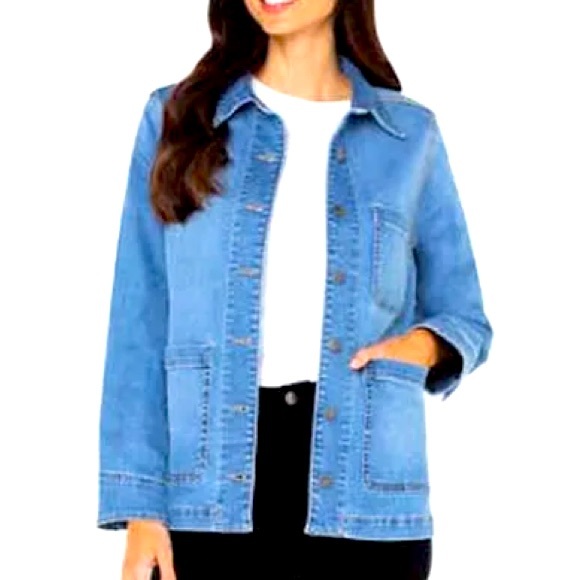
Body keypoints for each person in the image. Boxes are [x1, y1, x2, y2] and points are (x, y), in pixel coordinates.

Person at [97, 1, 493, 578]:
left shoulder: (410, 136)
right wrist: (141, 509)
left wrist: (420, 347)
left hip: (365, 494)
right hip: (208, 497)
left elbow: (464, 313)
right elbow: (138, 321)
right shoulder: (178, 117)